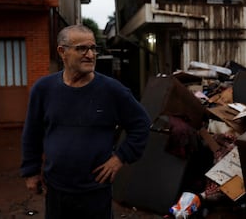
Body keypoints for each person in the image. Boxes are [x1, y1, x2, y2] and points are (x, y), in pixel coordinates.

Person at [20, 24, 151, 219]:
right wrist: (31, 171)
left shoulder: (112, 90)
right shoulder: (44, 89)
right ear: (62, 52)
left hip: (95, 190)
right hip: (56, 188)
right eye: (82, 48)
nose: (90, 55)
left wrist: (120, 157)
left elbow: (141, 123)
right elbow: (32, 131)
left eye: (93, 48)